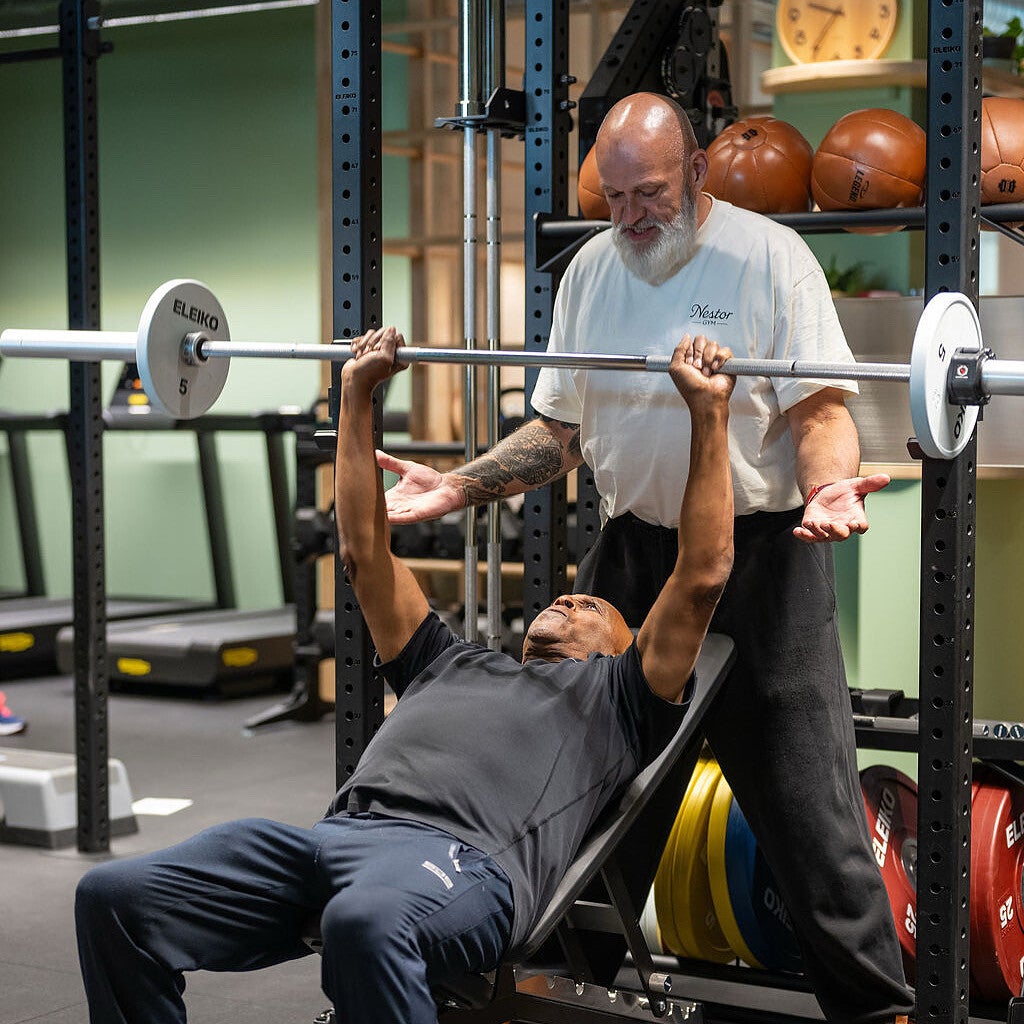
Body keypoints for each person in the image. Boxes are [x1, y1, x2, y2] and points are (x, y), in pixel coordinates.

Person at [377, 93, 912, 1024]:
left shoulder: (771, 257)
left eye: (650, 193)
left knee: (809, 813)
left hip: (761, 560)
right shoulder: (591, 270)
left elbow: (819, 410)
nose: (629, 216)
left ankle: (875, 1011)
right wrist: (459, 485)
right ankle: (553, 995)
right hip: (630, 558)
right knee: (588, 797)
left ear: (697, 171)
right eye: (615, 195)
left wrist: (829, 486)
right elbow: (559, 431)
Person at [73, 326, 735, 1024]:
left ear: (623, 649)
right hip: (332, 840)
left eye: (591, 607)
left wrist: (708, 412)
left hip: (459, 861)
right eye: (567, 597)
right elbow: (364, 550)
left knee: (364, 921)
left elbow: (701, 576)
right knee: (113, 898)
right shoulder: (449, 660)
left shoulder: (620, 697)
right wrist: (357, 395)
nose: (568, 599)